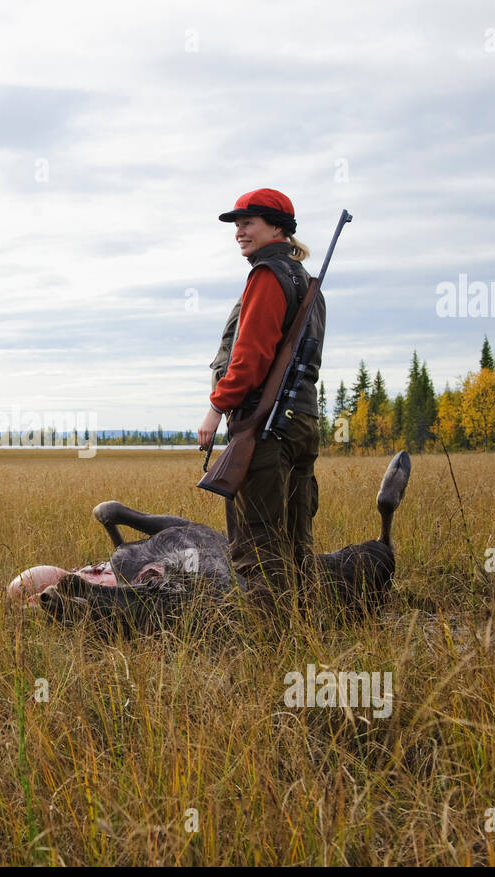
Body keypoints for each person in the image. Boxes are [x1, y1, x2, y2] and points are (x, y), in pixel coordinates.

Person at [196, 188, 325, 613]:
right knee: (296, 541)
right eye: (236, 224)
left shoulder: (268, 275)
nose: (239, 231)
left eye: (247, 222)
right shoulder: (306, 282)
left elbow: (249, 359)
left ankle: (270, 650)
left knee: (258, 544)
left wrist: (216, 408)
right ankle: (305, 631)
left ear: (277, 228)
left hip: (268, 427)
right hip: (302, 423)